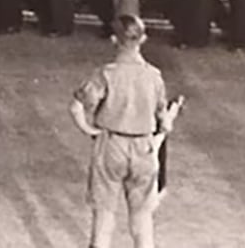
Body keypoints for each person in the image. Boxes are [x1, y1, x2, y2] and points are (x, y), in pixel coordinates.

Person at [70, 15, 178, 248]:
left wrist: (90, 129)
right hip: (144, 148)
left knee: (104, 218)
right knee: (142, 221)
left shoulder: (106, 73)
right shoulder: (154, 76)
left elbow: (76, 107)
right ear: (143, 39)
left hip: (111, 146)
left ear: (113, 39)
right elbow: (164, 121)